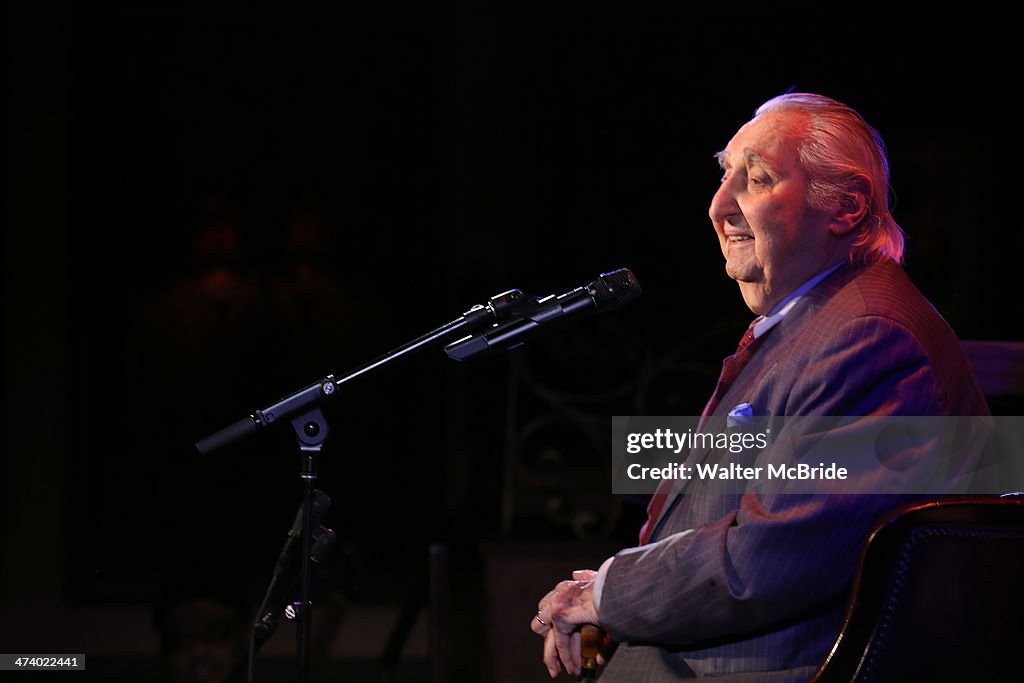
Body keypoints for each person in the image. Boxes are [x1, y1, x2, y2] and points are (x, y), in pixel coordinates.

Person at [529, 93, 991, 682]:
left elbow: (774, 553)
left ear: (845, 208)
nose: (720, 206)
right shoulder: (816, 325)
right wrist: (613, 597)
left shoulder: (872, 337)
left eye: (758, 178)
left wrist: (608, 595)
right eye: (725, 175)